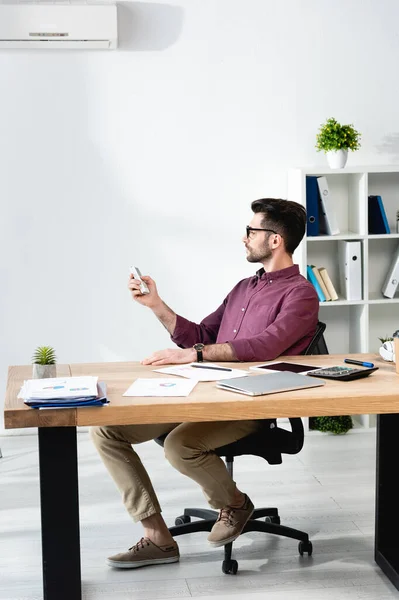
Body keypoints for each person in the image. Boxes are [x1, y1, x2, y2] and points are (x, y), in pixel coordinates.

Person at [90, 198, 319, 569]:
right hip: (202, 391)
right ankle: (157, 537)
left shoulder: (301, 294)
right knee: (106, 430)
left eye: (251, 231)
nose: (245, 238)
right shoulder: (244, 287)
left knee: (180, 445)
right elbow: (202, 334)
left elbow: (265, 346)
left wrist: (195, 354)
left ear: (275, 240)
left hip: (249, 403)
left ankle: (236, 505)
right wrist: (157, 305)